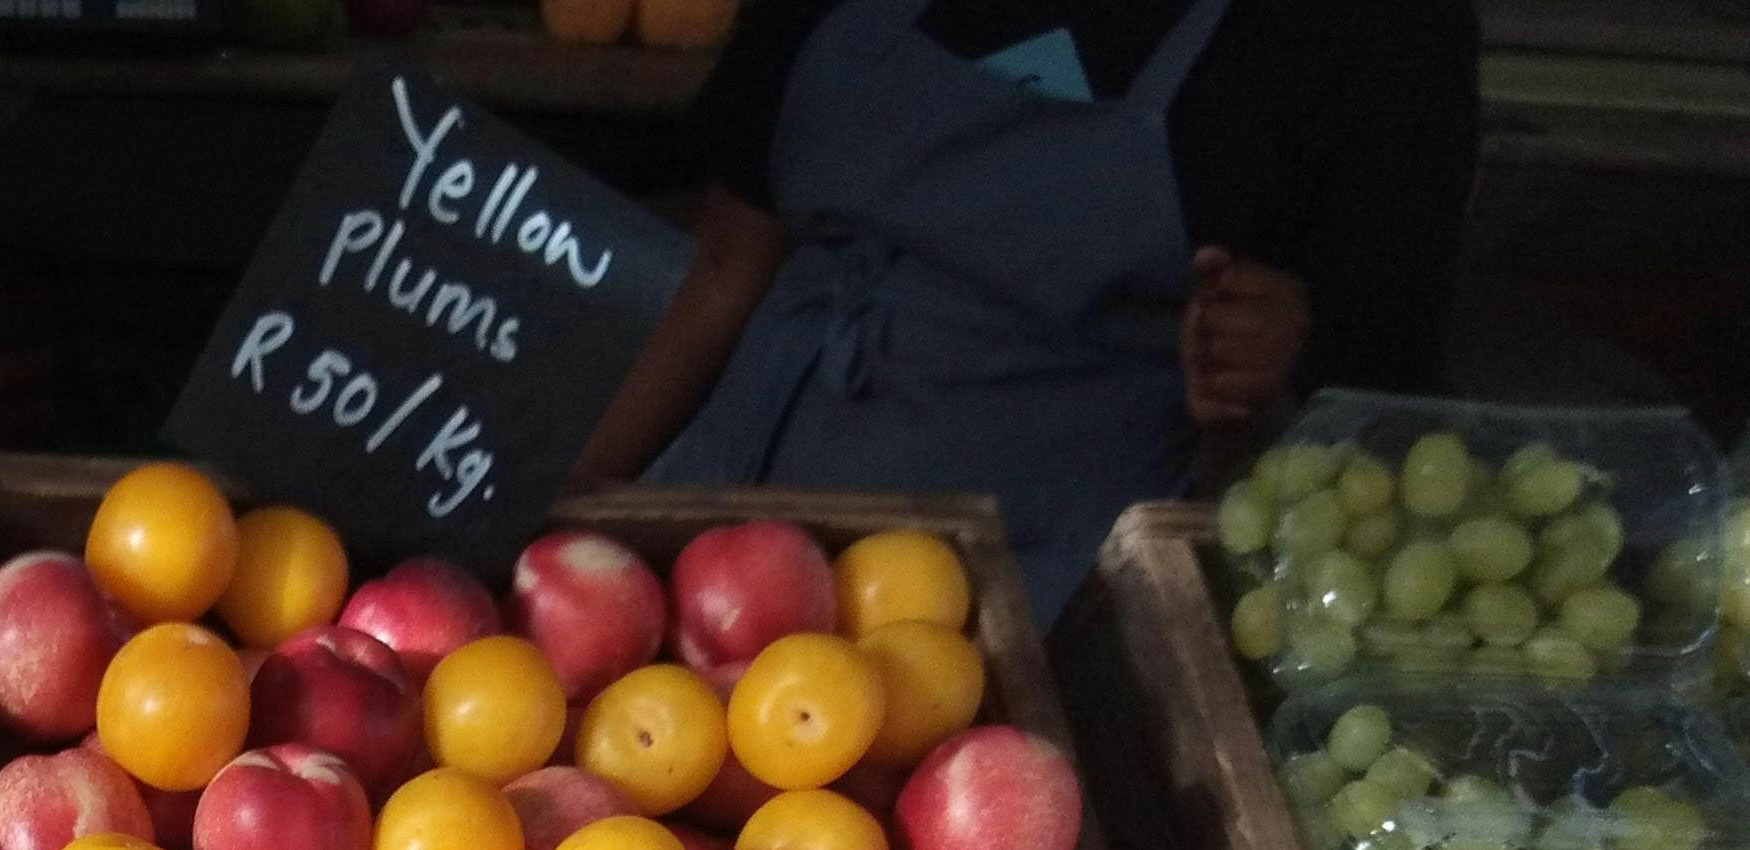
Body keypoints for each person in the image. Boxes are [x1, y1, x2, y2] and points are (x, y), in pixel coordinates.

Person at [572, 0, 1481, 618]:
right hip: (714, 539)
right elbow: (727, 263)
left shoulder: (1375, 35)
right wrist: (566, 504)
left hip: (1044, 611)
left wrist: (1269, 374)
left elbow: (1375, 438)